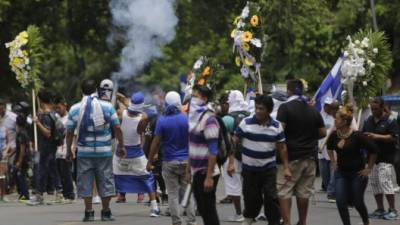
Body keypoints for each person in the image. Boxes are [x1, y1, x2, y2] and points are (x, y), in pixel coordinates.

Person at [66, 79, 126, 222]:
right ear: (96, 90)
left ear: (81, 91)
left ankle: (89, 212)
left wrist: (69, 150)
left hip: (84, 152)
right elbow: (117, 128)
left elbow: (69, 132)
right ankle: (105, 212)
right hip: (104, 151)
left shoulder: (75, 109)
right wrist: (122, 146)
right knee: (105, 180)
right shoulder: (107, 107)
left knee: (85, 181)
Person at [234, 94, 292, 225]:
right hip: (249, 170)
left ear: (269, 110)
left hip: (268, 170)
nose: (258, 111)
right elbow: (235, 141)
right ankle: (249, 217)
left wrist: (286, 168)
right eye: (257, 108)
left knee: (271, 198)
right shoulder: (245, 123)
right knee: (251, 199)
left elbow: (282, 148)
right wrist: (232, 162)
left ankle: (274, 221)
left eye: (262, 109)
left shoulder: (276, 126)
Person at [276, 79, 326, 225]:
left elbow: (280, 133)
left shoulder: (285, 108)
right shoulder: (312, 109)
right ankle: (302, 222)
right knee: (304, 192)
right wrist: (308, 136)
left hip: (290, 157)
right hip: (310, 158)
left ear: (288, 90)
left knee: (285, 191)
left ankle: (287, 222)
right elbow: (323, 132)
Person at [147, 91, 196, 225]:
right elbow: (193, 141)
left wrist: (149, 161)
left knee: (173, 194)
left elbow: (155, 143)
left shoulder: (162, 120)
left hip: (169, 162)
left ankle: (177, 222)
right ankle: (191, 221)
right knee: (187, 193)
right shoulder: (186, 118)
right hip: (186, 162)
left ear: (166, 103)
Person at [327, 104, 378, 225]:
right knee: (340, 201)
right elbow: (329, 148)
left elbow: (374, 150)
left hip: (357, 173)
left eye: (337, 119)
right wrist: (333, 162)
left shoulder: (357, 135)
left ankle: (366, 222)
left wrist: (369, 168)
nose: (335, 120)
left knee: (357, 201)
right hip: (341, 173)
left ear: (344, 121)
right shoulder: (334, 135)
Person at [113, 91, 160, 217]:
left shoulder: (120, 113)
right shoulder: (143, 117)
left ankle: (106, 208)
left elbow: (126, 105)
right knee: (147, 177)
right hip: (135, 152)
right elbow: (140, 132)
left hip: (120, 151)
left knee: (116, 176)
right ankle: (155, 207)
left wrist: (119, 97)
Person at [188, 84, 220, 225]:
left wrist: (209, 177)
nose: (193, 99)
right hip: (196, 172)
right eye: (192, 96)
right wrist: (188, 170)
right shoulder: (194, 118)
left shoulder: (209, 118)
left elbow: (213, 150)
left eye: (196, 96)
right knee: (202, 208)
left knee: (208, 210)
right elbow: (192, 146)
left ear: (205, 98)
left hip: (206, 173)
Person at [363, 97, 399, 220]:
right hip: (372, 159)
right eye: (371, 109)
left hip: (386, 157)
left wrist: (376, 136)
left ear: (382, 107)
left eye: (376, 109)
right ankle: (380, 209)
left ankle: (393, 210)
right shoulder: (368, 120)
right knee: (375, 183)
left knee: (385, 182)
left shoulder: (390, 121)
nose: (373, 111)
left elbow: (394, 138)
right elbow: (363, 134)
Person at [27, 90, 59, 205]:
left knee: (41, 171)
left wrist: (37, 122)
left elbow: (47, 133)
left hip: (46, 147)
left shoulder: (46, 116)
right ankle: (59, 193)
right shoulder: (52, 113)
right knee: (52, 170)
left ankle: (39, 196)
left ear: (40, 101)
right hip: (51, 147)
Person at [224, 90, 249, 222]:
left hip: (232, 156)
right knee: (250, 185)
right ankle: (252, 212)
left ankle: (239, 214)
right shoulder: (251, 115)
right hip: (251, 156)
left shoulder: (227, 119)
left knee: (234, 185)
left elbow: (226, 141)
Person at [54, 96, 75, 203]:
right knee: (60, 173)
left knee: (67, 173)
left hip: (67, 148)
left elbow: (73, 135)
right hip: (57, 150)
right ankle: (63, 194)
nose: (58, 110)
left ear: (64, 105)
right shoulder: (56, 118)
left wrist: (72, 148)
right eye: (56, 108)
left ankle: (70, 195)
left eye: (59, 107)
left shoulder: (70, 118)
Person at [14, 114, 31, 202]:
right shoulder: (24, 132)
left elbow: (22, 148)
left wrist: (19, 161)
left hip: (22, 158)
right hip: (24, 157)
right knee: (19, 175)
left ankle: (25, 194)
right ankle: (22, 193)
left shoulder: (21, 133)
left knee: (21, 176)